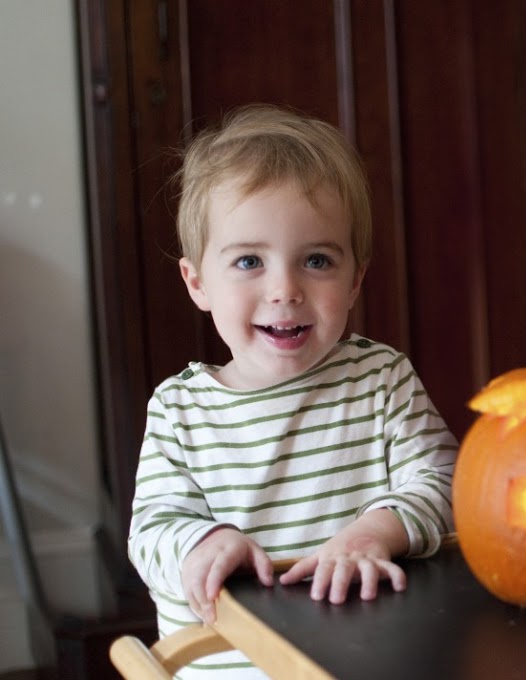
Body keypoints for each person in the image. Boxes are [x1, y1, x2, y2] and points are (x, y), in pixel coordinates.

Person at [127, 104, 457, 677]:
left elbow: (448, 484)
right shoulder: (180, 410)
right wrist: (202, 542)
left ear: (355, 280)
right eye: (249, 261)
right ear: (197, 282)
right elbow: (152, 532)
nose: (285, 289)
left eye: (317, 260)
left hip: (363, 661)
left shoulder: (380, 380)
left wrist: (375, 532)